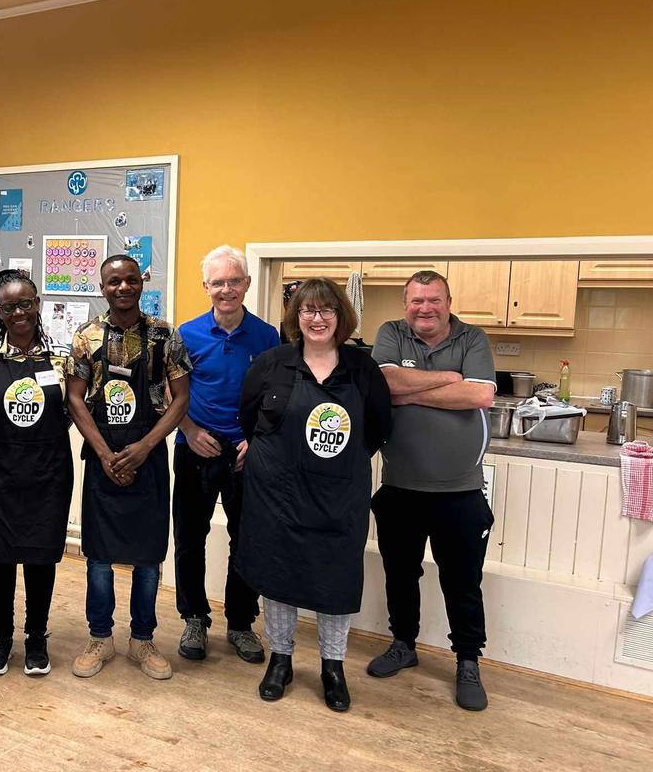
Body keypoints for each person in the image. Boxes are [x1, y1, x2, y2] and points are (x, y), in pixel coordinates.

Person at [237, 278, 391, 710]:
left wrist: (335, 466)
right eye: (308, 310)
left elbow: (378, 429)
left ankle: (333, 667)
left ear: (341, 316)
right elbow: (248, 417)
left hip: (338, 497)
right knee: (279, 574)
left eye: (327, 310)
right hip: (278, 494)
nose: (317, 318)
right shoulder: (271, 364)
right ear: (296, 316)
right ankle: (280, 660)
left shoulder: (362, 369)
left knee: (335, 578)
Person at [367, 269, 496, 711]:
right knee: (401, 575)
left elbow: (479, 397)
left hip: (460, 492)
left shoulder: (472, 337)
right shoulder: (391, 333)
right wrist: (450, 378)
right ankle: (403, 644)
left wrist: (411, 390)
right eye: (417, 301)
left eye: (434, 300)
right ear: (406, 305)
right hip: (400, 488)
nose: (425, 308)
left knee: (463, 582)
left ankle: (467, 660)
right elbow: (386, 384)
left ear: (448, 303)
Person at [67, 254, 191, 680]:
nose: (123, 287)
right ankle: (100, 637)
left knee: (148, 557)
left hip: (149, 457)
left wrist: (144, 447)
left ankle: (143, 639)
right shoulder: (86, 336)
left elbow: (181, 398)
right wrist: (105, 454)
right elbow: (75, 398)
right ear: (102, 288)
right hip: (102, 456)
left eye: (130, 280)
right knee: (99, 558)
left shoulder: (164, 335)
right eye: (114, 281)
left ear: (141, 283)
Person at [0, 269, 75, 676]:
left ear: (37, 304)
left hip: (48, 472)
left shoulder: (62, 356)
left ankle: (36, 637)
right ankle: (1, 637)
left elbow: (69, 412)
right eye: (9, 307)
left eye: (26, 303)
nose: (19, 312)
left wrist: (36, 443)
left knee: (41, 556)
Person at [173, 246, 279, 664]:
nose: (227, 289)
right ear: (206, 287)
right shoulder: (186, 335)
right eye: (218, 282)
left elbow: (276, 397)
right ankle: (194, 618)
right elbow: (168, 392)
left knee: (247, 539)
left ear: (247, 283)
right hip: (195, 448)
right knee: (189, 538)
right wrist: (189, 430)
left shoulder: (267, 337)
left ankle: (240, 623)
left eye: (234, 281)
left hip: (246, 453)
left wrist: (257, 439)